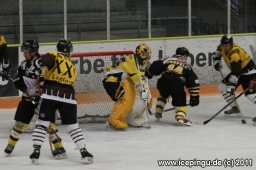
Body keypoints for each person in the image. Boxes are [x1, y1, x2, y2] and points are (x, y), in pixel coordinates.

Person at [30, 39, 93, 164]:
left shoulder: (53, 55)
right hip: (69, 97)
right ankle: (84, 151)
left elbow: (38, 63)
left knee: (42, 123)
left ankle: (36, 151)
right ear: (68, 50)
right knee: (73, 126)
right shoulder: (70, 63)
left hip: (51, 95)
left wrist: (34, 70)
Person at [4, 40, 67, 159]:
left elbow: (51, 80)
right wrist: (19, 83)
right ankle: (10, 144)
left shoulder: (43, 64)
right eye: (23, 51)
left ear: (33, 52)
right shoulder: (23, 64)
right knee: (19, 123)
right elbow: (19, 77)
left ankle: (59, 147)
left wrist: (43, 87)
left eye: (26, 51)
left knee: (50, 125)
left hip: (43, 100)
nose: (24, 53)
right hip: (27, 99)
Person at [102, 43, 152, 129]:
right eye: (146, 53)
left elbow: (145, 75)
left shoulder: (137, 60)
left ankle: (114, 120)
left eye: (148, 54)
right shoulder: (134, 60)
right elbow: (138, 80)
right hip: (111, 79)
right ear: (141, 53)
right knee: (123, 98)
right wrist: (143, 92)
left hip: (117, 80)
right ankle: (114, 120)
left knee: (126, 99)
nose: (147, 56)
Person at [147, 47, 200, 126]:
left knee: (163, 94)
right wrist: (194, 97)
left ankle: (158, 111)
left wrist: (149, 73)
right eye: (186, 56)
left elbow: (155, 67)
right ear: (184, 55)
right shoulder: (187, 65)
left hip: (163, 82)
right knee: (181, 101)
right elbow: (193, 81)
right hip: (177, 84)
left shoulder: (168, 59)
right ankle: (180, 116)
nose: (186, 58)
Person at [213, 34, 256, 124]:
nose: (225, 48)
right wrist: (217, 60)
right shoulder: (222, 46)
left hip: (249, 72)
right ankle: (235, 107)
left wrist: (232, 86)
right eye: (223, 45)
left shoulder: (234, 54)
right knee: (223, 87)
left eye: (227, 46)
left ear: (231, 44)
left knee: (250, 95)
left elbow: (236, 71)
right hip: (239, 72)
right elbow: (218, 51)